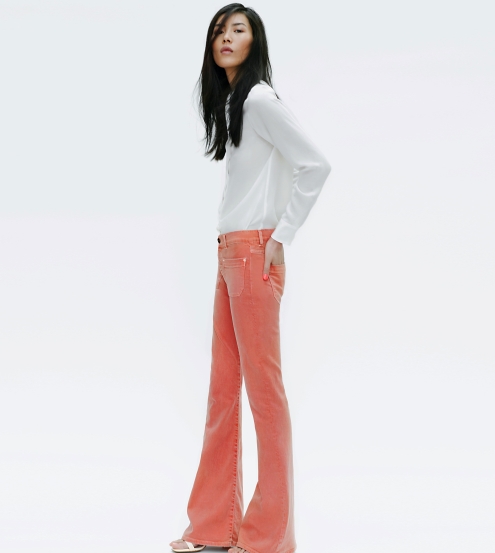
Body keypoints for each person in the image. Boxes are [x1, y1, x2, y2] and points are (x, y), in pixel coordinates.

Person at [170, 4, 331, 553]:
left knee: (264, 394)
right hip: (230, 254)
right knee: (223, 391)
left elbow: (315, 165)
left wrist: (281, 237)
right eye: (219, 30)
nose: (226, 38)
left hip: (253, 254)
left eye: (238, 30)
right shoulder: (237, 104)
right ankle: (214, 527)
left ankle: (268, 538)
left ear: (255, 42)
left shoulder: (260, 99)